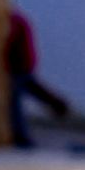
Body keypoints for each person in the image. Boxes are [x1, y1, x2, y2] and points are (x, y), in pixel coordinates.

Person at [4, 8, 69, 148]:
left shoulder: (13, 19)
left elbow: (11, 37)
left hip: (19, 67)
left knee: (13, 100)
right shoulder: (17, 18)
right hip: (24, 65)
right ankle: (58, 104)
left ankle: (21, 137)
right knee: (32, 89)